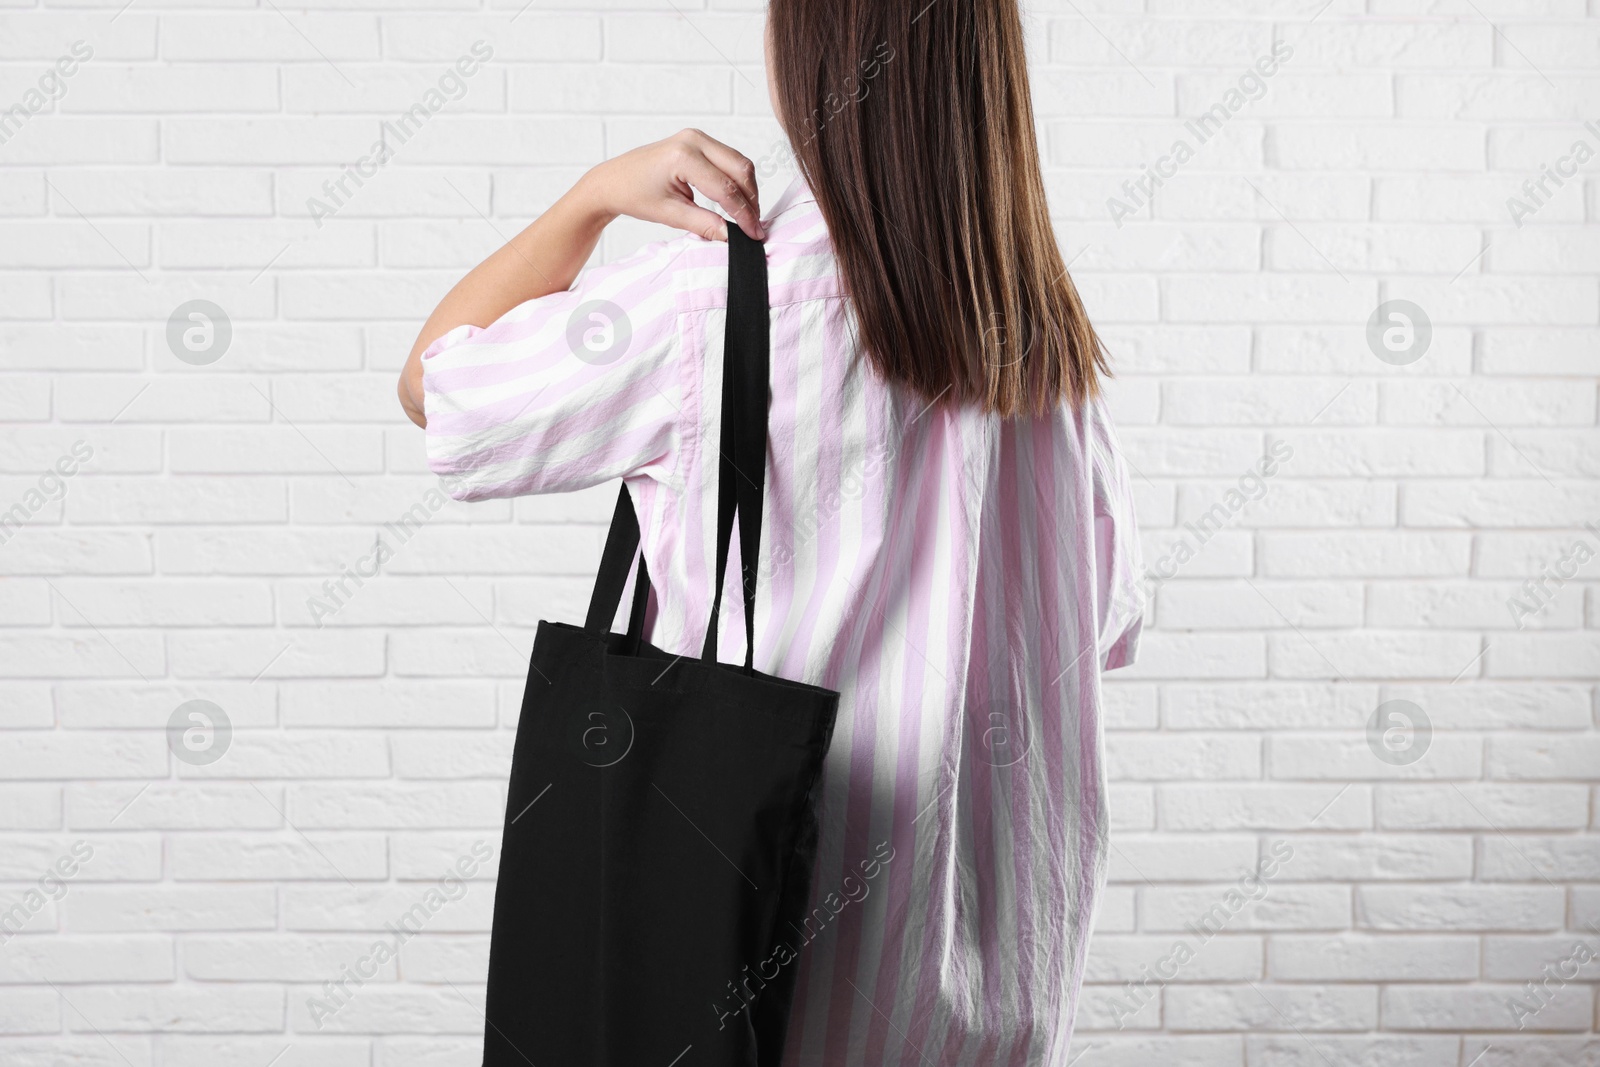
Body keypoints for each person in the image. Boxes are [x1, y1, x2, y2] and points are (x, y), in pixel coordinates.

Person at [397, 1, 1144, 1062]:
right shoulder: (1049, 340)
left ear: (809, 55)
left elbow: (440, 390)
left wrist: (594, 199)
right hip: (999, 967)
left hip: (768, 957)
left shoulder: (716, 299)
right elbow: (1101, 626)